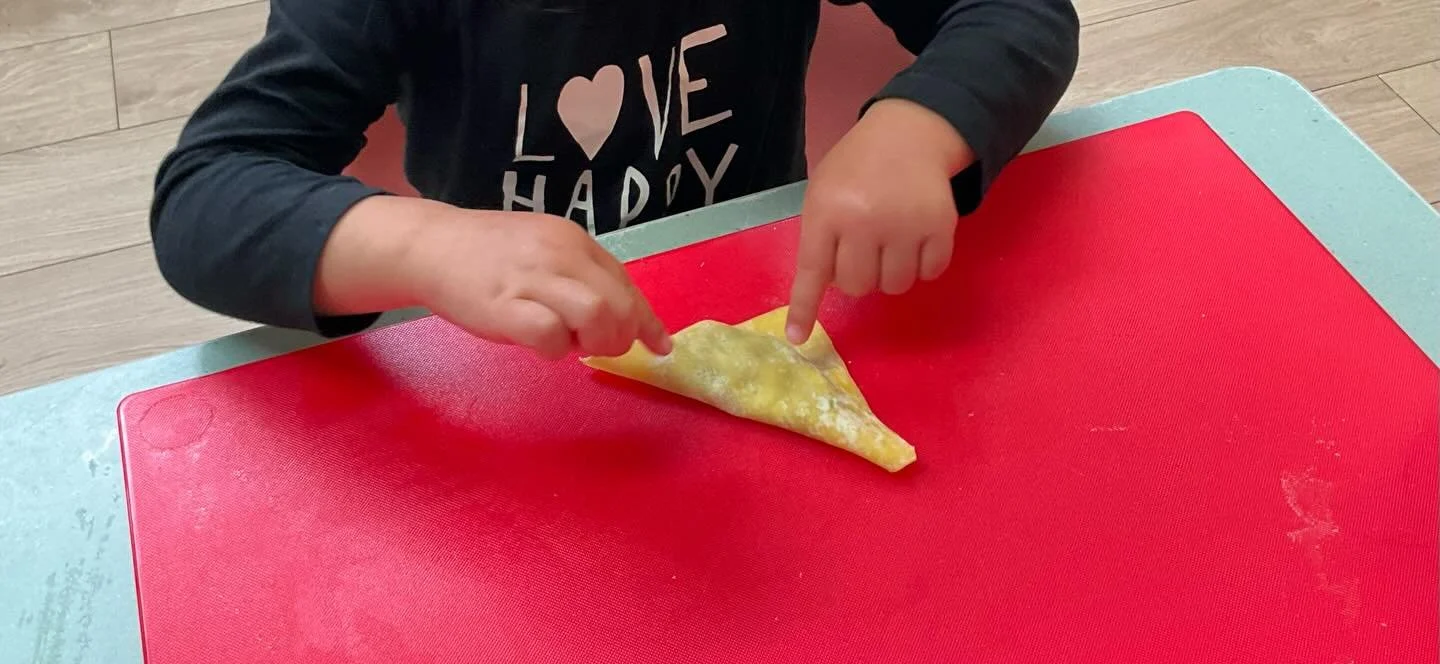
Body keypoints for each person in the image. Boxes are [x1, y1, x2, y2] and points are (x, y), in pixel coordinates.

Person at [151, 0, 1078, 359]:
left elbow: (1019, 12)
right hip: (507, 355)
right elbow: (206, 192)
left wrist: (918, 128)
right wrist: (423, 243)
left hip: (755, 309)